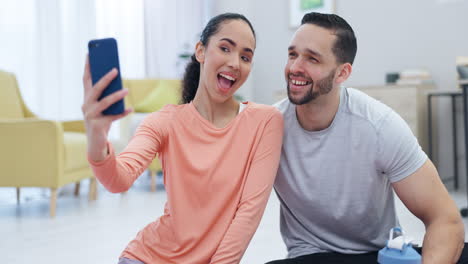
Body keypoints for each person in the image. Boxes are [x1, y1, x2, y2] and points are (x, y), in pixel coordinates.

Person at [82, 13, 284, 264]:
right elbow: (118, 181)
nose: (235, 63)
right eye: (225, 48)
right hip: (147, 257)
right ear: (201, 51)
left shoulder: (265, 121)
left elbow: (248, 212)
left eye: (245, 57)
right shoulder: (164, 121)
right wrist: (96, 135)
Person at [267, 12, 467, 264]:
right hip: (312, 257)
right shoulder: (269, 127)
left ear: (342, 74)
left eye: (312, 59)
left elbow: (445, 219)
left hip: (376, 256)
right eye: (292, 54)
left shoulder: (379, 125)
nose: (294, 67)